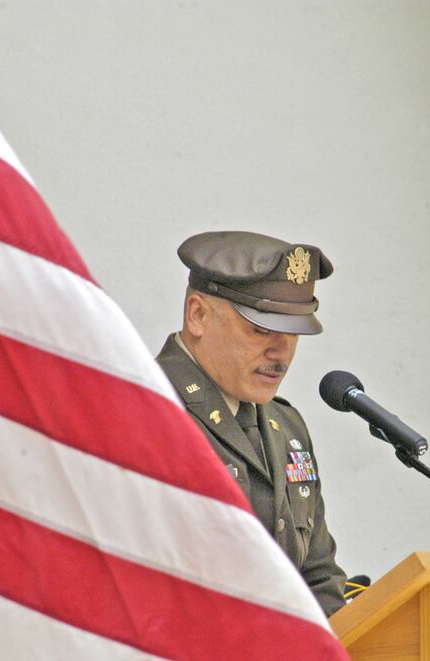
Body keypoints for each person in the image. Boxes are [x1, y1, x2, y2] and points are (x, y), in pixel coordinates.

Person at [156, 230, 346, 617]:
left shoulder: (285, 425)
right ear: (198, 315)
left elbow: (319, 578)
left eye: (293, 331)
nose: (281, 352)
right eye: (260, 329)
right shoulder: (148, 411)